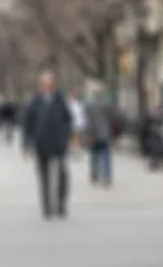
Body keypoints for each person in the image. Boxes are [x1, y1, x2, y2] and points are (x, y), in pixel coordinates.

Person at [23, 71, 72, 220]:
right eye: (43, 83)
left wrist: (66, 135)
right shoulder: (35, 101)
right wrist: (27, 145)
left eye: (49, 83)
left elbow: (68, 119)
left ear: (52, 84)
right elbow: (28, 124)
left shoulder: (60, 99)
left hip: (58, 143)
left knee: (63, 174)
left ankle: (61, 205)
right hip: (41, 144)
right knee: (43, 177)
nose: (46, 86)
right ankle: (46, 207)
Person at [84, 86, 113, 187]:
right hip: (104, 133)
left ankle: (94, 174)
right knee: (106, 156)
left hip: (93, 134)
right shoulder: (108, 104)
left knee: (94, 155)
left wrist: (88, 135)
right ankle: (107, 176)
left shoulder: (89, 105)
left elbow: (88, 122)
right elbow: (112, 118)